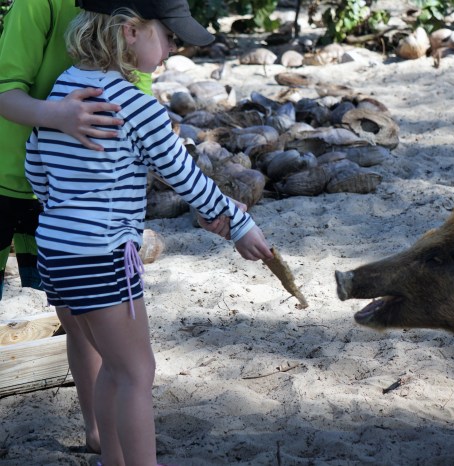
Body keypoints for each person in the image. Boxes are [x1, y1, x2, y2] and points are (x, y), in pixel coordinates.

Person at [24, 1, 273, 465]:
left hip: (55, 252)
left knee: (114, 367)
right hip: (101, 256)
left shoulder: (61, 95)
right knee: (137, 373)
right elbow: (185, 177)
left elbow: (35, 170)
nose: (173, 48)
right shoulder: (137, 106)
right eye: (169, 37)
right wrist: (239, 224)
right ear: (130, 32)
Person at [0, 0, 153, 454]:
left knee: (79, 318)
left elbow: (136, 104)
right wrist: (58, 116)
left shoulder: (135, 13)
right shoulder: (38, 3)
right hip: (7, 179)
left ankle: (99, 434)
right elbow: (4, 91)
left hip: (67, 197)